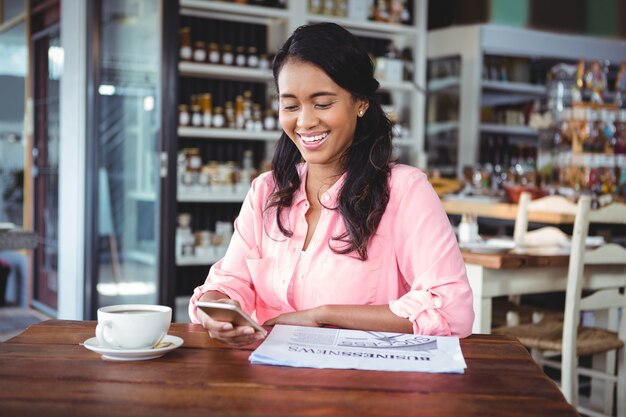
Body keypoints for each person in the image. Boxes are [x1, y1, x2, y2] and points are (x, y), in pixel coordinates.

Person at [189, 22, 474, 345]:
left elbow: (453, 310)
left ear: (361, 102)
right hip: (270, 381)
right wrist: (220, 305)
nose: (305, 121)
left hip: (364, 385)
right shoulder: (266, 191)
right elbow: (231, 279)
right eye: (290, 105)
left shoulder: (404, 190)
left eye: (322, 104)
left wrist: (323, 316)